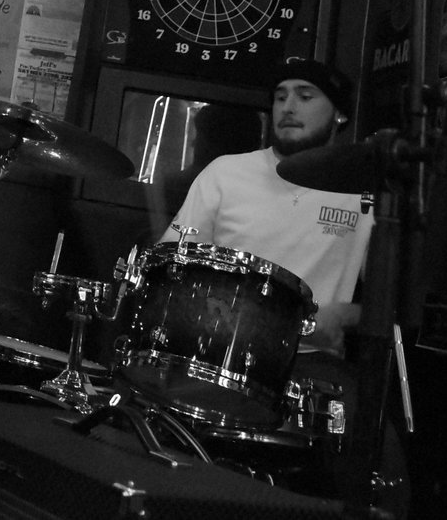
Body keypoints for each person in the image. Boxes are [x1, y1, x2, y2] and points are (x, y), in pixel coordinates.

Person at [160, 58, 404, 510]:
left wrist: (346, 315)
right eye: (280, 96)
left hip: (312, 364)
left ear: (340, 114)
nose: (288, 106)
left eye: (305, 96)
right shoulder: (225, 173)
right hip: (217, 355)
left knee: (380, 470)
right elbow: (172, 264)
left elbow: (393, 301)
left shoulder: (367, 191)